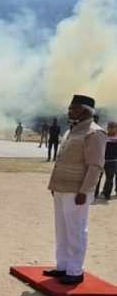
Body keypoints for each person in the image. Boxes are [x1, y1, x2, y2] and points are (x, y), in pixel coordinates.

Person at [44, 95, 106, 285]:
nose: (70, 111)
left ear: (87, 111)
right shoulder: (72, 131)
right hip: (61, 187)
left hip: (77, 190)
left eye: (74, 108)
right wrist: (54, 185)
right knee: (61, 229)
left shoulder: (94, 133)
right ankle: (62, 265)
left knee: (76, 230)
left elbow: (95, 166)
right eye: (70, 108)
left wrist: (84, 191)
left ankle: (75, 270)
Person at [101, 122, 117, 200]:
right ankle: (98, 193)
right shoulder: (103, 136)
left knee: (109, 178)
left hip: (113, 161)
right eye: (109, 127)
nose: (110, 128)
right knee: (97, 178)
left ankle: (107, 195)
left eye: (112, 127)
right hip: (102, 160)